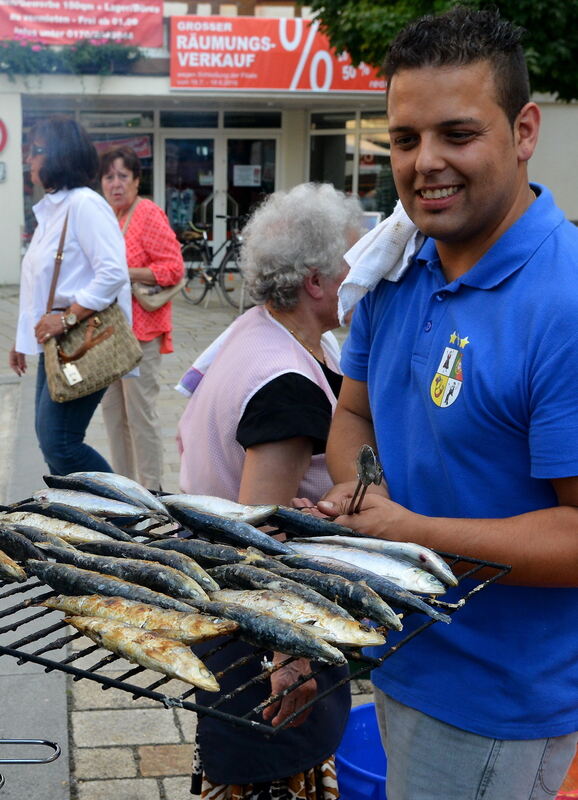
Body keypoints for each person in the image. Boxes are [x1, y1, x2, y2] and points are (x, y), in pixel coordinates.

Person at [313, 7, 578, 800]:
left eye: (457, 134)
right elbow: (352, 416)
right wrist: (366, 494)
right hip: (401, 654)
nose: (424, 163)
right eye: (403, 139)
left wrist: (408, 536)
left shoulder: (562, 303)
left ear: (524, 130)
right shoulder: (398, 263)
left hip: (494, 702)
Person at [176, 182, 364, 799]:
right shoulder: (285, 384)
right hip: (256, 632)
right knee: (269, 773)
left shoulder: (259, 331)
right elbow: (263, 537)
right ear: (315, 280)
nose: (360, 278)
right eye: (351, 265)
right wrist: (289, 657)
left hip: (219, 597)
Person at [9, 116, 131, 475]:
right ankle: (83, 512)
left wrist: (67, 317)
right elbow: (38, 286)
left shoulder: (84, 205)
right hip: (56, 342)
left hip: (81, 337)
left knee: (60, 442)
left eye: (36, 151)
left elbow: (113, 272)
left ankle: (131, 510)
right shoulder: (53, 210)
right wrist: (21, 340)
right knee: (51, 441)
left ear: (59, 155)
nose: (28, 160)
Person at [99, 146, 184, 491]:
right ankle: (124, 490)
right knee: (112, 415)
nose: (115, 183)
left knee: (140, 416)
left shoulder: (146, 213)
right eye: (109, 176)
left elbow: (173, 268)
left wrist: (125, 271)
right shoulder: (106, 216)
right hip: (107, 335)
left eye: (123, 176)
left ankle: (152, 493)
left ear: (136, 180)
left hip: (140, 333)